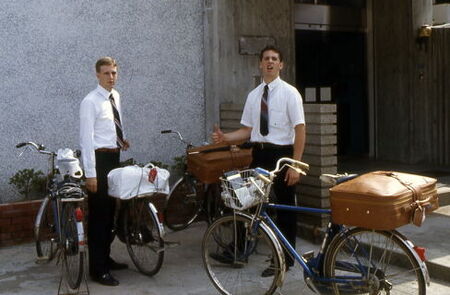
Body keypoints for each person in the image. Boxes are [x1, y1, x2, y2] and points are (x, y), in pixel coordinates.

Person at [212, 45, 306, 277]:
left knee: (286, 208)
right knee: (245, 202)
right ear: (260, 64)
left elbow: (301, 130)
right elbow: (247, 131)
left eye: (275, 59)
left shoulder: (290, 93)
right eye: (266, 59)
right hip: (260, 154)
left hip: (282, 154)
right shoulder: (254, 96)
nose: (270, 62)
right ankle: (239, 251)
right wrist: (225, 138)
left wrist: (296, 164)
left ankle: (284, 258)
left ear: (281, 65)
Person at [80, 57, 130, 286]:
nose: (111, 77)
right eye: (107, 73)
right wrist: (90, 174)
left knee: (110, 211)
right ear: (97, 75)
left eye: (114, 73)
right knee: (99, 216)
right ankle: (97, 269)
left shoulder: (115, 96)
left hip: (113, 156)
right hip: (98, 161)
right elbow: (87, 140)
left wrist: (120, 140)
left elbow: (111, 124)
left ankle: (106, 258)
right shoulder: (90, 102)